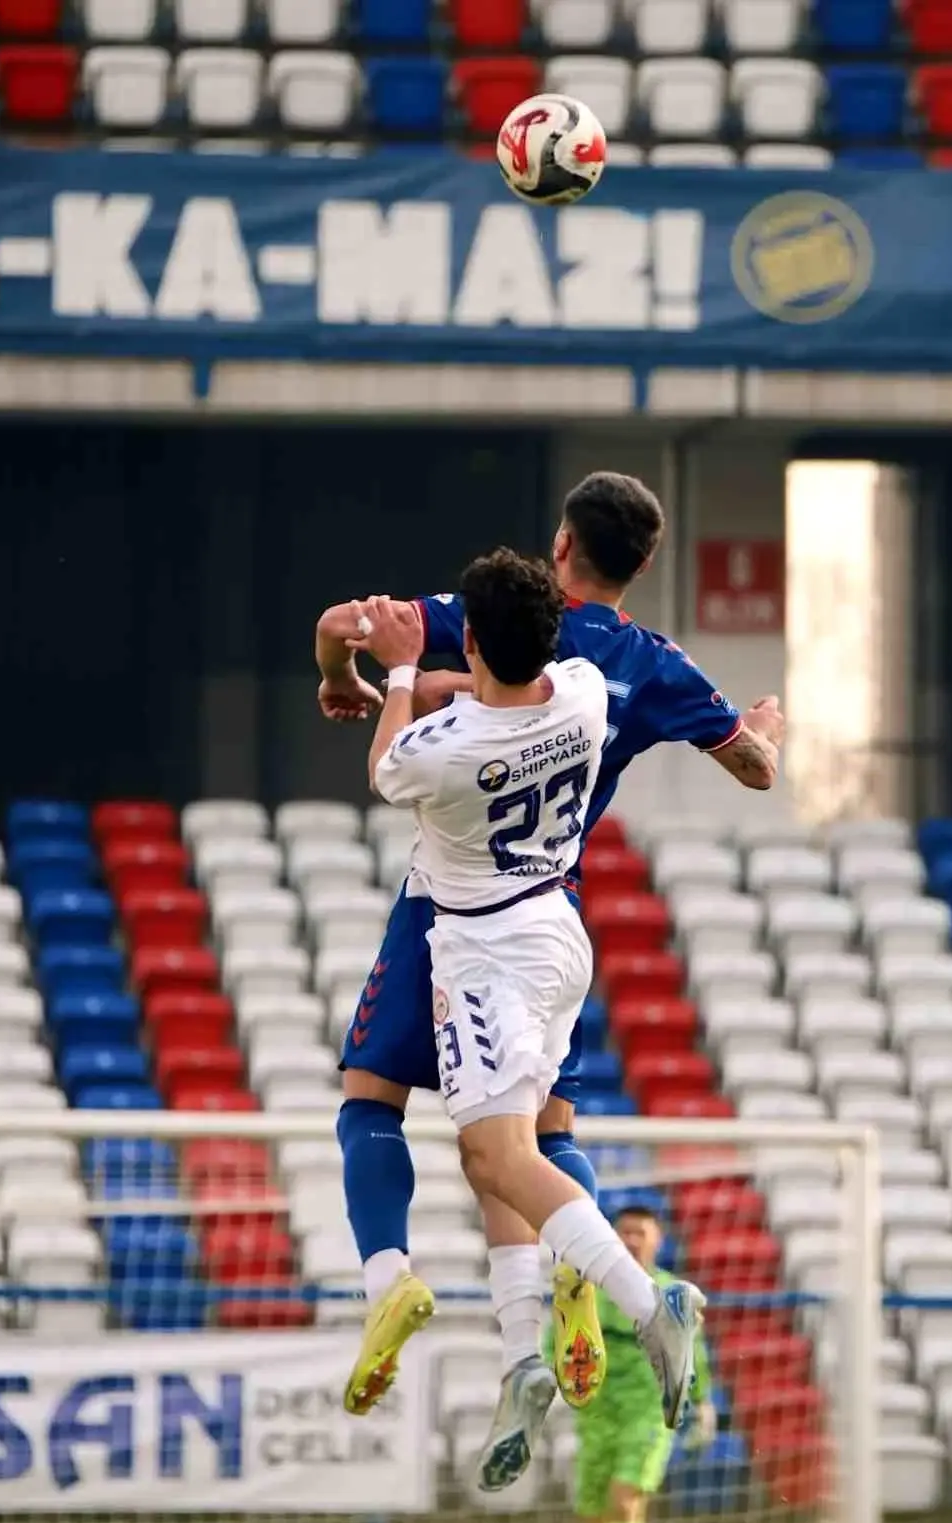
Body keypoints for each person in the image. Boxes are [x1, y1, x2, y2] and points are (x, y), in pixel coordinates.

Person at [315, 473, 783, 1450]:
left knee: (405, 1112)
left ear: (560, 543)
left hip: (460, 917)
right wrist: (765, 734)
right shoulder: (611, 679)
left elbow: (361, 664)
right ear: (643, 564)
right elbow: (751, 763)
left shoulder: (446, 724)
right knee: (539, 1126)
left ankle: (414, 1279)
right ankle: (527, 1352)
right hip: (559, 906)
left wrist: (363, 677)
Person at [357, 550, 706, 1493]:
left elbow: (388, 761)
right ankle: (524, 1357)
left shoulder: (442, 751)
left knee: (505, 1157)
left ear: (470, 639)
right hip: (557, 933)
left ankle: (650, 1302)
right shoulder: (587, 693)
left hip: (485, 961)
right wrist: (448, 677)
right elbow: (498, 691)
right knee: (493, 1159)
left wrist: (395, 670)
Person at [545, 1205, 714, 1523]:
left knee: (625, 1501)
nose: (632, 1239)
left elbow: (693, 1353)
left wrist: (702, 1401)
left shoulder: (670, 1294)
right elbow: (561, 1337)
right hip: (596, 1414)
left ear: (658, 1239)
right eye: (625, 1231)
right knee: (591, 1516)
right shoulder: (587, 1291)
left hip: (649, 1412)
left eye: (642, 1231)